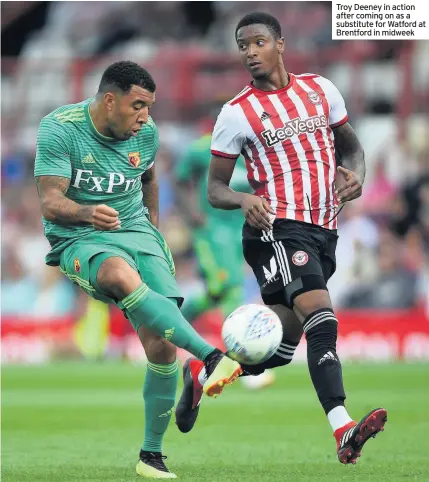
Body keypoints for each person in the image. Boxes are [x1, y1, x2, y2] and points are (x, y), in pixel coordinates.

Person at [175, 13, 387, 465]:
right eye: (242, 46)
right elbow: (214, 189)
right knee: (322, 317)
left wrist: (359, 176)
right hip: (274, 227)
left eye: (257, 42)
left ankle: (203, 368)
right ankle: (342, 428)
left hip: (324, 227)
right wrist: (241, 199)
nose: (249, 52)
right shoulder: (236, 113)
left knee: (278, 345)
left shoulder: (321, 89)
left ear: (280, 44)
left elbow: (350, 146)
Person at [34, 60, 243, 479]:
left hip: (137, 232)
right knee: (115, 274)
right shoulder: (60, 128)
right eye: (138, 105)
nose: (145, 116)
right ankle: (209, 355)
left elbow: (149, 177)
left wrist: (151, 225)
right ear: (110, 100)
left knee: (161, 346)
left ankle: (151, 456)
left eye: (149, 106)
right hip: (80, 237)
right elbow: (50, 202)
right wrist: (87, 213)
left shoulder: (146, 134)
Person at [174, 103, 275, 392]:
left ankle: (169, 330)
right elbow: (181, 180)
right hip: (211, 231)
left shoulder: (255, 151)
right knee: (230, 286)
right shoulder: (202, 148)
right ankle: (245, 362)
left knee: (215, 292)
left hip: (239, 230)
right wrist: (190, 212)